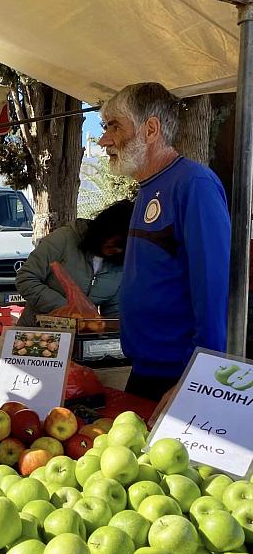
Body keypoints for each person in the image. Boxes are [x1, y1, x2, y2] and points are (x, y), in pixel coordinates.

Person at [98, 82, 231, 414]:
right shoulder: (147, 189)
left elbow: (214, 289)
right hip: (145, 371)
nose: (103, 140)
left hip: (179, 378)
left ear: (151, 128)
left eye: (114, 125)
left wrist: (197, 379)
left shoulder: (193, 184)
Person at [15, 199, 135, 326]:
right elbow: (26, 279)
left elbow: (114, 307)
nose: (119, 250)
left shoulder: (120, 261)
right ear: (106, 229)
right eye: (118, 243)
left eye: (126, 246)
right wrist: (68, 309)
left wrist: (110, 329)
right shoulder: (64, 239)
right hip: (39, 334)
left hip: (83, 338)